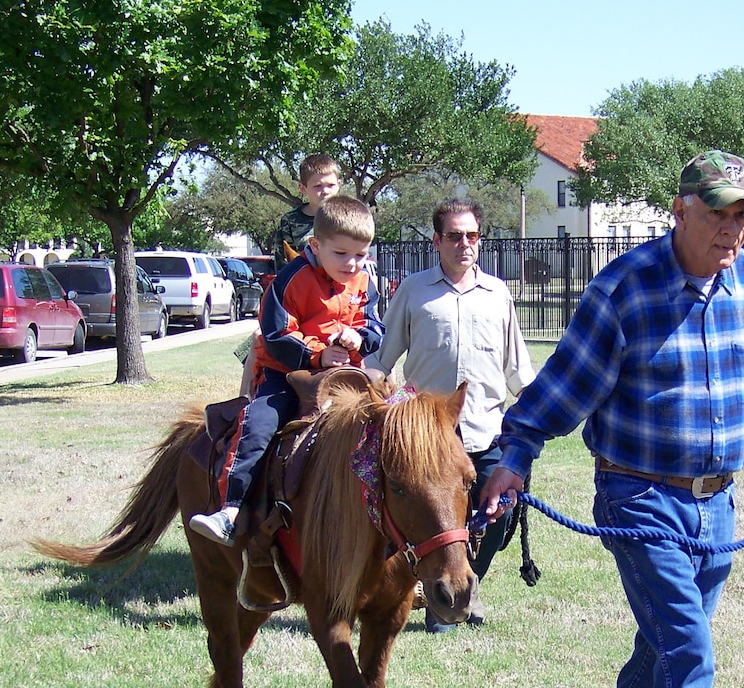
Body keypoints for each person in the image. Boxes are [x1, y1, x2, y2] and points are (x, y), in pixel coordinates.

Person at [480, 151, 744, 688]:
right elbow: (562, 387)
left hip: (717, 502)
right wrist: (513, 458)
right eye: (717, 211)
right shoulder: (623, 289)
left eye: (742, 213)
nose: (731, 227)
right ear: (680, 209)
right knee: (688, 645)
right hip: (638, 495)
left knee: (662, 643)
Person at [362, 199, 534, 632]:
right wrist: (359, 385)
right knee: (433, 520)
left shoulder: (498, 294)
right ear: (436, 240)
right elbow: (384, 356)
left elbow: (518, 369)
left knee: (501, 516)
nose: (464, 244)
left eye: (472, 235)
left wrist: (537, 417)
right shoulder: (414, 291)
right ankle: (440, 596)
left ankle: (466, 587)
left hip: (485, 431)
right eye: (454, 236)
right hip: (431, 441)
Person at [190, 196, 383, 546]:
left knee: (393, 421)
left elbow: (374, 327)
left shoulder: (364, 281)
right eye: (340, 254)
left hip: (347, 375)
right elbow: (277, 335)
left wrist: (360, 337)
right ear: (315, 244)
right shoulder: (290, 280)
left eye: (360, 254)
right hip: (286, 373)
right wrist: (318, 354)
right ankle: (230, 510)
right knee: (260, 424)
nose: (352, 263)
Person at [273, 154, 342, 260]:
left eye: (331, 185)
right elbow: (283, 265)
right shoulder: (289, 222)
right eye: (318, 186)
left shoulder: (348, 217)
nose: (325, 191)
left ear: (339, 185)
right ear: (303, 188)